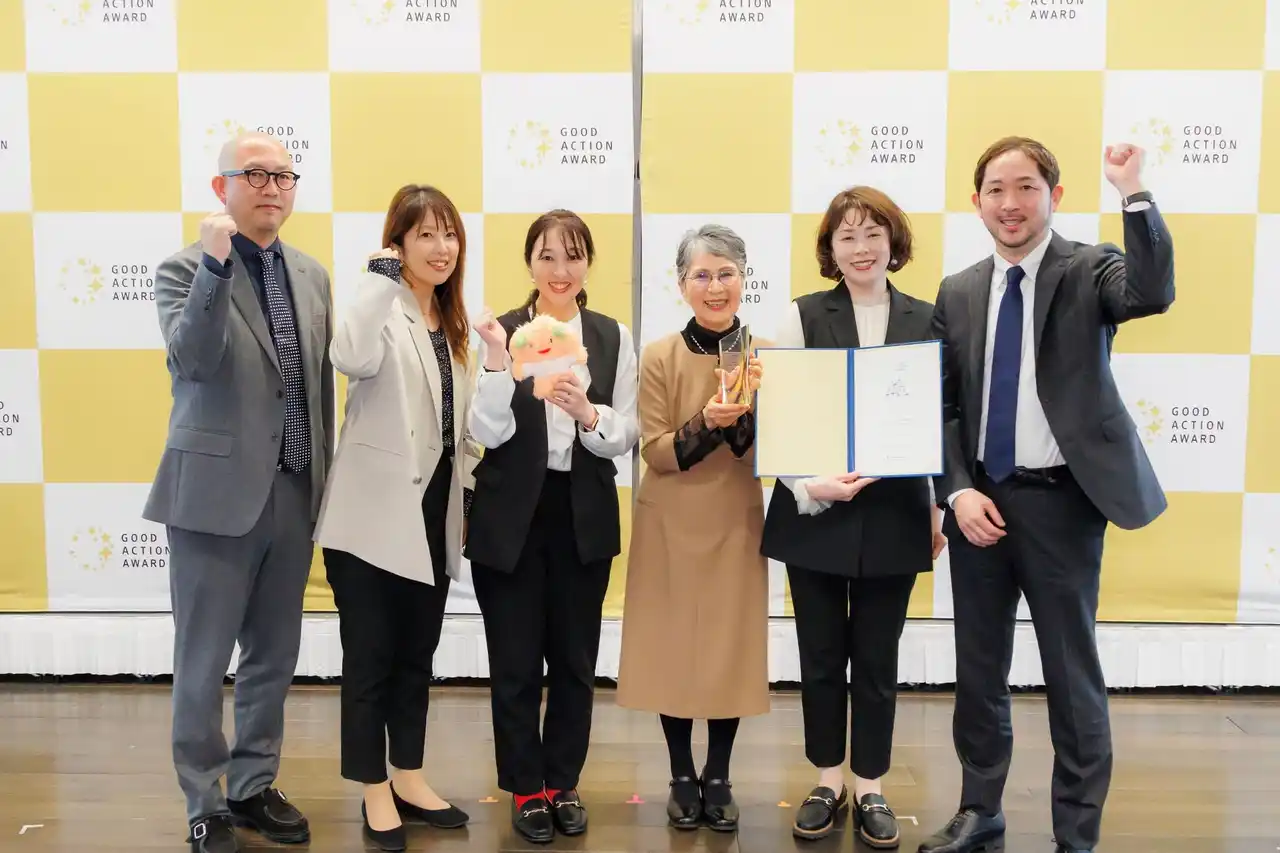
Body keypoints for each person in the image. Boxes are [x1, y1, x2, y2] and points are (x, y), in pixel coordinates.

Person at [917, 138, 1173, 853]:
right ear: (976, 202)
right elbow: (941, 408)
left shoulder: (1089, 268)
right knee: (978, 671)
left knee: (1070, 673)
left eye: (1027, 187)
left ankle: (1076, 835)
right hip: (979, 505)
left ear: (1054, 196)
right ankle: (980, 810)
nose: (1011, 203)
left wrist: (1133, 192)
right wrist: (956, 493)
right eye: (996, 189)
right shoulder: (958, 290)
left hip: (1063, 503)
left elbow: (1151, 292)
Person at [142, 131, 335, 853]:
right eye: (254, 174)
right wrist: (215, 266)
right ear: (220, 188)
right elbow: (192, 360)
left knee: (273, 657)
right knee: (202, 660)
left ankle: (253, 785)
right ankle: (204, 798)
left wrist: (322, 487)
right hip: (214, 498)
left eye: (283, 175)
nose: (272, 187)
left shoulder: (311, 275)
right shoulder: (184, 268)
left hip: (293, 491)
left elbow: (316, 388)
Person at [760, 186, 944, 850]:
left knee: (875, 657)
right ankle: (826, 780)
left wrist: (937, 505)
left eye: (873, 234)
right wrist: (809, 484)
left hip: (896, 512)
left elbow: (939, 419)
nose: (861, 247)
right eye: (847, 236)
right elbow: (777, 412)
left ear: (894, 243)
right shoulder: (803, 315)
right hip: (814, 509)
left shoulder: (929, 318)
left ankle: (870, 785)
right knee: (818, 656)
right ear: (830, 249)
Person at [465, 209, 640, 844]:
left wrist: (589, 414)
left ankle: (563, 781)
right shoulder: (503, 333)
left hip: (581, 512)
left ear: (588, 262)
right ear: (530, 263)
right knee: (514, 661)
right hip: (511, 513)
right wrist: (496, 362)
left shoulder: (612, 336)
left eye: (573, 255)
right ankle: (525, 787)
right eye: (547, 256)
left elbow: (626, 433)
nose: (560, 270)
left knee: (574, 660)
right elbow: (483, 432)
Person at [313, 184, 478, 851]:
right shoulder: (380, 305)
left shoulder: (454, 322)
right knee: (371, 660)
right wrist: (379, 277)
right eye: (425, 235)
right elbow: (350, 357)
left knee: (416, 656)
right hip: (371, 521)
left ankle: (408, 773)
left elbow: (460, 430)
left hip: (433, 518)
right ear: (398, 244)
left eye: (450, 234)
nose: (442, 248)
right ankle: (372, 785)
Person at [616, 224, 768, 833]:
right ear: (681, 285)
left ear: (744, 279)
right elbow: (655, 450)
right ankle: (681, 774)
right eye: (701, 275)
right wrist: (708, 419)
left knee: (730, 647)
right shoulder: (658, 355)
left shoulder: (765, 356)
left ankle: (720, 775)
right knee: (673, 648)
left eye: (726, 273)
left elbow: (774, 448)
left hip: (736, 517)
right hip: (670, 518)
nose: (715, 286)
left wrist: (743, 421)